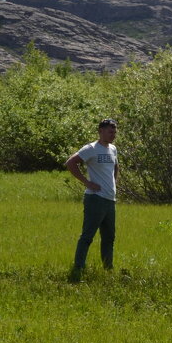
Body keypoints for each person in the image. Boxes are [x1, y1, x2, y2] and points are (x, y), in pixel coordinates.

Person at [66, 118, 119, 279]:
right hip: (95, 199)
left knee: (109, 237)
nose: (113, 135)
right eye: (110, 132)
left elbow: (116, 166)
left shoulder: (113, 149)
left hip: (110, 199)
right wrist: (87, 182)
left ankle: (107, 268)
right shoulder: (91, 148)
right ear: (100, 131)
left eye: (115, 132)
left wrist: (114, 184)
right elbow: (71, 163)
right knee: (88, 235)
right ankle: (78, 267)